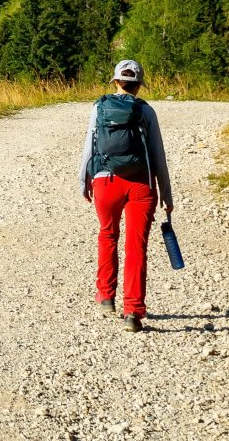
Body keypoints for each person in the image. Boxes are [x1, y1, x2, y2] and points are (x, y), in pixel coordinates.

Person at [79, 58, 173, 331]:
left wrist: (84, 180)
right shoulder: (146, 111)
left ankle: (106, 296)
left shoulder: (98, 106)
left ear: (116, 82)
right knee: (136, 246)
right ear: (138, 85)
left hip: (105, 181)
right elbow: (158, 155)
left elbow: (89, 145)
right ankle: (133, 312)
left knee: (108, 234)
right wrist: (166, 194)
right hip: (140, 185)